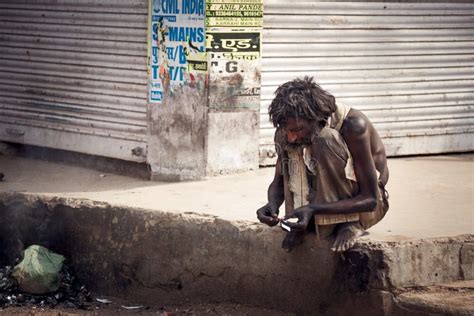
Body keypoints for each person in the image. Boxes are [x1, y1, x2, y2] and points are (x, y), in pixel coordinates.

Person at [256, 77, 389, 252]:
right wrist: (271, 204)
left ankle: (348, 224)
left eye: (297, 130)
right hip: (321, 200)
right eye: (289, 130)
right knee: (285, 137)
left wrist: (312, 208)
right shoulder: (291, 129)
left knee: (325, 139)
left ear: (317, 118)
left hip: (365, 206)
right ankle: (305, 220)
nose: (291, 137)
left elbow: (370, 199)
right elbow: (279, 181)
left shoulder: (353, 125)